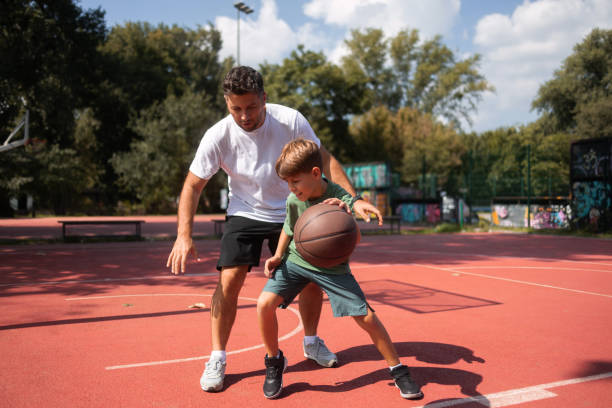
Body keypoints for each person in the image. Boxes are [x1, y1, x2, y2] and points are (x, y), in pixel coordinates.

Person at [166, 66, 383, 392]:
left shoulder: (291, 121)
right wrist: (184, 235)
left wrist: (354, 200)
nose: (244, 116)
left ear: (264, 98)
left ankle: (311, 341)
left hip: (295, 209)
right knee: (229, 280)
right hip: (245, 212)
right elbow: (193, 186)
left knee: (311, 278)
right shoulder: (219, 135)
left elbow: (325, 160)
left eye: (251, 107)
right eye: (236, 107)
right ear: (227, 102)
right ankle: (218, 356)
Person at [256, 138, 423, 400]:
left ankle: (398, 369)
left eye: (295, 181)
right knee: (264, 304)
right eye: (287, 183)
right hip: (297, 261)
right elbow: (289, 228)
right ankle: (274, 361)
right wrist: (277, 256)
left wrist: (351, 210)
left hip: (331, 267)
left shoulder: (339, 196)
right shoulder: (293, 200)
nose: (291, 188)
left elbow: (355, 235)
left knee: (366, 317)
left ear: (315, 173)